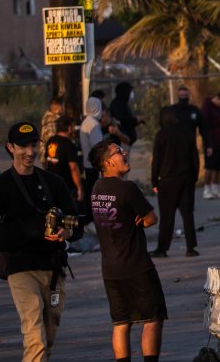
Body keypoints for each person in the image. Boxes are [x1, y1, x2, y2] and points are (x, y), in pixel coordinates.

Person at [0, 121, 83, 362]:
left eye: (33, 145)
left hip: (54, 270)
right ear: (10, 147)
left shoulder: (53, 183)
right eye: (22, 146)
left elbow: (76, 223)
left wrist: (65, 233)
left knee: (48, 336)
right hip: (20, 268)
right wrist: (36, 229)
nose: (29, 152)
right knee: (35, 334)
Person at [88, 140, 166, 362]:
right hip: (136, 264)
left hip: (110, 268)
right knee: (152, 318)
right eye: (118, 152)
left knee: (121, 322)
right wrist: (141, 220)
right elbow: (151, 218)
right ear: (108, 162)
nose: (124, 154)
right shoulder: (127, 188)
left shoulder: (96, 189)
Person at [150, 106, 199, 258]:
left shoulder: (161, 135)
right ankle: (190, 247)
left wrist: (154, 182)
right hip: (186, 179)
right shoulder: (187, 133)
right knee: (187, 214)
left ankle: (162, 248)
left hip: (167, 181)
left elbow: (156, 160)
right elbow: (195, 158)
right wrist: (194, 177)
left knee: (166, 216)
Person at [44, 117, 83, 204]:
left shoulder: (50, 141)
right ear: (69, 128)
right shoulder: (69, 145)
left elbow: (47, 161)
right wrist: (79, 188)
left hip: (51, 184)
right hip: (66, 187)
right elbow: (74, 168)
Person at [202, 92, 220, 200]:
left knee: (219, 167)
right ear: (218, 99)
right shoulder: (207, 105)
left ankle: (215, 189)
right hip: (210, 142)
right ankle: (206, 189)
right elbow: (205, 122)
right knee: (210, 166)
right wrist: (219, 120)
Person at [80, 97, 105, 214]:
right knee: (94, 193)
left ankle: (88, 217)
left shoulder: (86, 121)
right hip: (93, 165)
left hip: (87, 163)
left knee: (90, 191)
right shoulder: (93, 124)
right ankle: (91, 218)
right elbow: (98, 145)